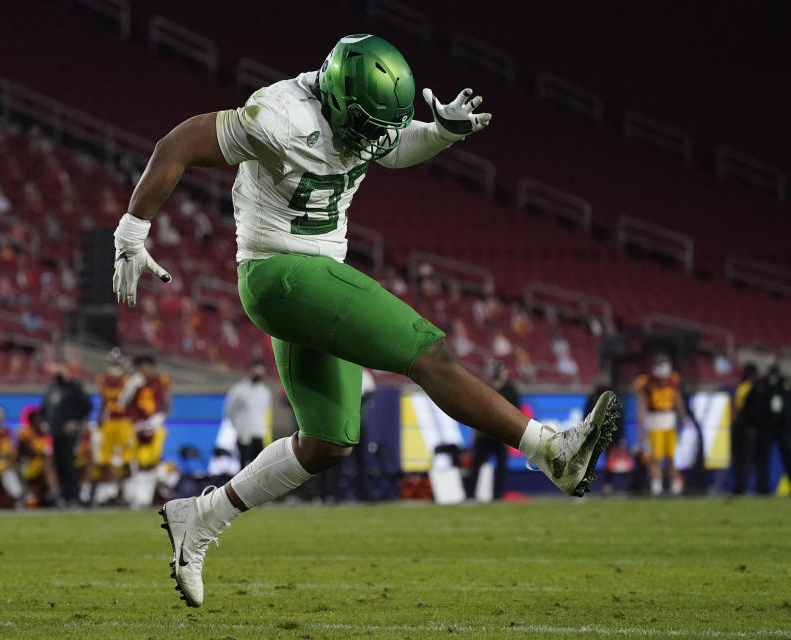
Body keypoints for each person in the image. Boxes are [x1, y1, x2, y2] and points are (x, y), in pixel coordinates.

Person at [111, 34, 621, 607]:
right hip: (279, 274)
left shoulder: (360, 114)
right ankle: (552, 450)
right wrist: (132, 231)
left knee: (328, 443)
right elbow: (176, 142)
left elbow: (395, 145)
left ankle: (200, 518)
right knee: (429, 353)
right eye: (363, 124)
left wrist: (440, 134)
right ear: (333, 97)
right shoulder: (278, 117)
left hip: (315, 279)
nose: (371, 139)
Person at [117, 355, 171, 508]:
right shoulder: (132, 382)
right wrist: (130, 387)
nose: (144, 371)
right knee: (135, 462)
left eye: (146, 367)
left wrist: (160, 417)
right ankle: (136, 497)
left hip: (154, 425)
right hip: (136, 426)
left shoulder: (161, 381)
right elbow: (122, 403)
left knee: (151, 462)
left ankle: (145, 497)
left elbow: (167, 403)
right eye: (141, 368)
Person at [634, 353, 688, 496]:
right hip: (654, 422)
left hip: (669, 422)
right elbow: (642, 406)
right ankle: (656, 486)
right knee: (655, 458)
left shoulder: (673, 380)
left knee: (672, 456)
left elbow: (678, 399)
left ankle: (676, 485)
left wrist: (683, 418)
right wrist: (641, 427)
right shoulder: (646, 382)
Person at [463, 360, 517, 500]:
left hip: (502, 435)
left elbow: (516, 413)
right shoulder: (486, 387)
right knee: (476, 466)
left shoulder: (511, 390)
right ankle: (470, 495)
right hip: (485, 433)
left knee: (501, 468)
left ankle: (498, 496)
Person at [42, 365, 93, 506]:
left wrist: (75, 420)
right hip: (55, 432)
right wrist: (45, 421)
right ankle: (63, 496)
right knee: (59, 465)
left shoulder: (74, 388)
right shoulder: (53, 388)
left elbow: (87, 406)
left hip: (69, 433)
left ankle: (73, 496)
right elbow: (45, 407)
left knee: (69, 464)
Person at [747, 364, 791, 496]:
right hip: (765, 426)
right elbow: (750, 406)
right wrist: (756, 423)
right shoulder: (760, 385)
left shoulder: (786, 384)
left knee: (788, 457)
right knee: (762, 459)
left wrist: (789, 424)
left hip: (782, 427)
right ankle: (762, 488)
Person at [94, 352, 133, 504]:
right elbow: (103, 400)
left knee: (127, 459)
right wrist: (99, 416)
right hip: (109, 421)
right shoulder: (103, 379)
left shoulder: (129, 380)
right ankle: (108, 492)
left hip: (125, 421)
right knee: (106, 459)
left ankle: (126, 492)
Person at [225, 361, 272, 468]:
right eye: (257, 369)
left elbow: (264, 411)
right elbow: (230, 410)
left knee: (258, 466)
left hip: (258, 434)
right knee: (243, 464)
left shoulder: (265, 392)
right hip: (244, 433)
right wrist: (238, 428)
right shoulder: (239, 390)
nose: (259, 373)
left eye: (261, 370)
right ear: (251, 370)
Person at [730, 364, 759, 494]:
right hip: (748, 428)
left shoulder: (742, 388)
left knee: (740, 459)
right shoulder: (753, 388)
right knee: (747, 459)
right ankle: (743, 485)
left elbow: (735, 408)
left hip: (740, 427)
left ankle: (741, 485)